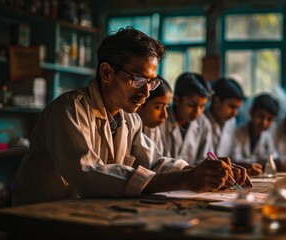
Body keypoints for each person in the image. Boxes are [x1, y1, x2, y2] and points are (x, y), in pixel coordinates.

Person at [12, 27, 247, 206]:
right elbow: (88, 174)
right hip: (39, 218)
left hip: (79, 215)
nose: (146, 93)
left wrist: (204, 171)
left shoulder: (129, 118)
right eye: (138, 80)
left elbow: (155, 162)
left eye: (152, 82)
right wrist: (187, 179)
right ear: (107, 72)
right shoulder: (69, 110)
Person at [159, 72, 214, 165]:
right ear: (176, 100)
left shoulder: (203, 123)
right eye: (191, 105)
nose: (197, 112)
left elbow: (205, 159)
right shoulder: (159, 120)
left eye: (202, 106)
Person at [231, 93, 279, 176]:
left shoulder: (267, 135)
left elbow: (274, 156)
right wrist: (261, 161)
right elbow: (235, 159)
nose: (264, 122)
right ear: (251, 112)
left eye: (269, 119)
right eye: (260, 116)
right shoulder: (237, 132)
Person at [205, 77, 246, 158]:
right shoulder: (200, 121)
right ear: (216, 102)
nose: (235, 113)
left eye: (237, 108)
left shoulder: (231, 121)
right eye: (232, 106)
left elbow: (233, 155)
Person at [137, 76, 172, 154]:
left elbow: (160, 160)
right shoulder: (128, 125)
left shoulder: (153, 129)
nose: (165, 115)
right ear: (141, 102)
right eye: (159, 107)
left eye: (167, 107)